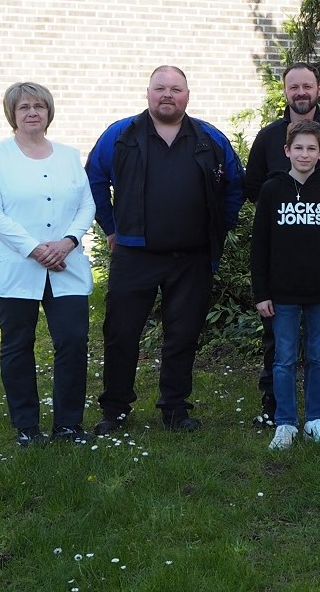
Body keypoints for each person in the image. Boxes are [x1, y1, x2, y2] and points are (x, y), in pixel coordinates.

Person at [86, 66, 243, 434]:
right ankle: (115, 410)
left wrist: (217, 229)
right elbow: (93, 180)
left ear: (188, 94)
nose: (167, 95)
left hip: (191, 257)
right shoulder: (119, 135)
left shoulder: (210, 138)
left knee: (182, 334)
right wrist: (110, 227)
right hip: (134, 255)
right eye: (160, 88)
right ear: (148, 93)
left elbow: (235, 185)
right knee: (121, 333)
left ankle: (175, 409)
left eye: (176, 89)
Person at [0, 82, 95, 447]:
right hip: (15, 266)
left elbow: (86, 205)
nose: (32, 112)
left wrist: (67, 242)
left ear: (49, 112)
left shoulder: (68, 155)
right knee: (17, 344)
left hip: (66, 265)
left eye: (39, 106)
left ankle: (69, 426)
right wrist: (35, 249)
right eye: (24, 106)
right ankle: (27, 427)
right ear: (12, 113)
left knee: (73, 341)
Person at [246, 62, 320, 429]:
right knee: (279, 353)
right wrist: (261, 289)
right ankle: (280, 415)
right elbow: (260, 237)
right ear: (287, 150)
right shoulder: (267, 144)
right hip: (281, 287)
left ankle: (319, 413)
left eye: (306, 85)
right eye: (293, 86)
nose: (300, 92)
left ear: (318, 89)